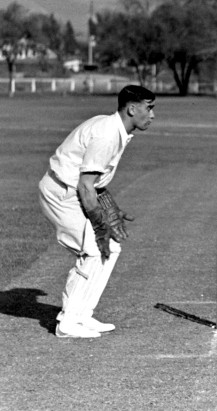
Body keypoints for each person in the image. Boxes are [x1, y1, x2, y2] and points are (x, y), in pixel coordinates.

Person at [38, 85, 156, 338]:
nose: (152, 115)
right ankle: (67, 323)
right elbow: (85, 185)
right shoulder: (107, 134)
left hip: (73, 190)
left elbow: (95, 184)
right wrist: (101, 225)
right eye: (149, 108)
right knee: (93, 249)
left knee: (111, 248)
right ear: (132, 109)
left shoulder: (114, 129)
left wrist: (111, 208)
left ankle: (82, 315)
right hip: (60, 193)